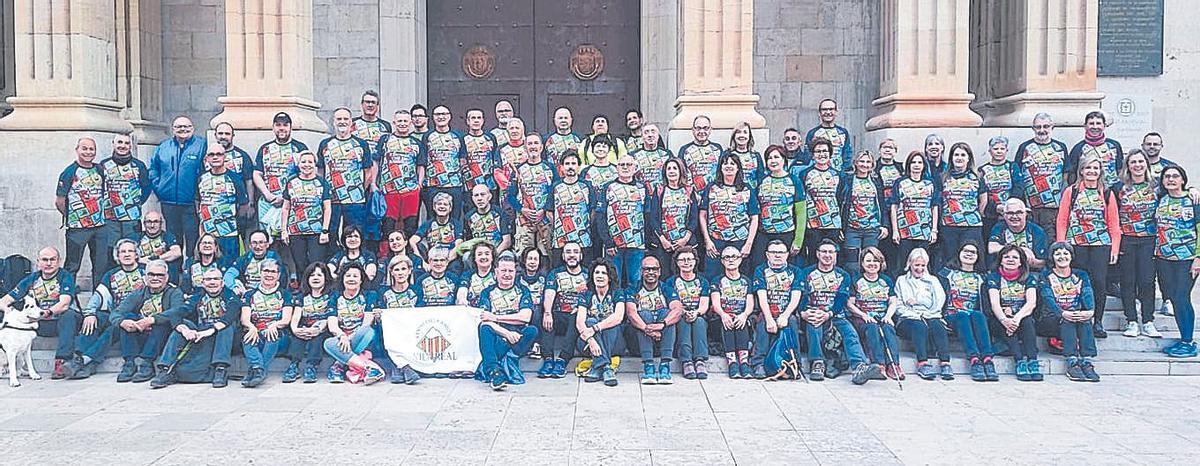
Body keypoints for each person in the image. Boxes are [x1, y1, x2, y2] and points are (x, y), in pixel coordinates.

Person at [1056, 154, 1120, 338]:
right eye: (1088, 168)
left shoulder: (1107, 193)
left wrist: (1114, 248)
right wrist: (1062, 243)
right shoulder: (1072, 191)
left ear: (1100, 171)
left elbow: (1114, 223)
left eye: (1095, 168)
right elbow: (1062, 219)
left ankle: (1097, 321)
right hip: (1076, 244)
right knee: (1077, 283)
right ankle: (1077, 319)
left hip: (1100, 245)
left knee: (1099, 283)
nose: (1091, 171)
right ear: (1081, 171)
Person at [797, 240, 879, 384]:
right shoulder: (806, 272)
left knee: (850, 332)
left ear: (835, 255)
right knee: (813, 324)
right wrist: (803, 312)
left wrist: (829, 314)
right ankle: (817, 362)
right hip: (812, 313)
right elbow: (801, 296)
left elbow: (841, 299)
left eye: (831, 252)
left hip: (835, 315)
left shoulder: (843, 275)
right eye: (824, 252)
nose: (827, 255)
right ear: (817, 254)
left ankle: (859, 367)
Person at [67, 239, 146, 379]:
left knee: (115, 326)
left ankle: (87, 361)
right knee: (94, 319)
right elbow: (98, 296)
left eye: (130, 251)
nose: (126, 254)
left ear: (136, 255)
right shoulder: (111, 275)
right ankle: (79, 356)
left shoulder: (146, 272)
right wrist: (90, 313)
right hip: (113, 314)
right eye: (123, 251)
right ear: (117, 255)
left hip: (136, 317)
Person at [149, 268, 238, 389]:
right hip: (201, 334)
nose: (212, 282)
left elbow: (230, 316)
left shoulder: (230, 295)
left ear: (222, 282)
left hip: (223, 338)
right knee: (184, 323)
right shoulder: (198, 296)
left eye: (216, 279)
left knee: (226, 326)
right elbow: (177, 313)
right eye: (208, 279)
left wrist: (209, 331)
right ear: (203, 283)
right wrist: (184, 329)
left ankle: (220, 369)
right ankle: (165, 369)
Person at [0, 247, 80, 379]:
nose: (48, 263)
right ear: (38, 262)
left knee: (69, 315)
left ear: (59, 261)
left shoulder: (65, 276)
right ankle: (9, 361)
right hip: (36, 323)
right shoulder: (31, 278)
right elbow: (4, 301)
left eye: (52, 260)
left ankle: (61, 361)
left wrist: (47, 312)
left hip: (59, 321)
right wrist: (9, 310)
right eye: (45, 260)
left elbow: (64, 303)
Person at [1113, 150, 1162, 338]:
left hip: (1149, 239)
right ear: (1128, 165)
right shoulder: (1119, 187)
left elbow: (1178, 189)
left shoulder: (1157, 185)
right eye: (1133, 162)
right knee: (1127, 281)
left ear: (1146, 164)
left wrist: (1192, 190)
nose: (1137, 165)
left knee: (1147, 281)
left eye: (1141, 161)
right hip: (1127, 239)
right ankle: (1131, 320)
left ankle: (1148, 320)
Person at [110, 260, 182, 383]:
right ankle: (129, 363)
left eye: (160, 275)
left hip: (162, 338)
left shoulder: (174, 292)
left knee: (162, 323)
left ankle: (147, 365)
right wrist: (123, 322)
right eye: (151, 274)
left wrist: (152, 320)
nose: (155, 278)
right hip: (142, 334)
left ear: (167, 277)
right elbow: (116, 313)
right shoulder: (139, 293)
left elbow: (177, 312)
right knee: (127, 317)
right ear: (145, 277)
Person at [476, 253, 539, 391]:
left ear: (515, 272)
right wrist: (506, 333)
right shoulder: (487, 292)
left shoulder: (522, 290)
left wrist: (497, 318)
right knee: (484, 329)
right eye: (503, 271)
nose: (507, 274)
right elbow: (485, 320)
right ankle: (495, 372)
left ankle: (495, 365)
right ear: (496, 272)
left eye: (510, 271)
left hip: (517, 336)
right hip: (498, 336)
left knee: (532, 330)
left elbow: (525, 317)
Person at [1155, 166, 1200, 358]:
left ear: (1183, 179)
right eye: (1167, 177)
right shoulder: (1161, 199)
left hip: (1187, 258)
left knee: (1182, 297)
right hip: (1164, 257)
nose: (1171, 179)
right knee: (1172, 297)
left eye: (1175, 176)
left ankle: (1188, 341)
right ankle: (1183, 338)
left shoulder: (1193, 200)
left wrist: (1198, 257)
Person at [938, 241, 997, 382]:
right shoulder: (946, 274)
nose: (969, 254)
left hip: (973, 317)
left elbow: (986, 303)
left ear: (978, 256)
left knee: (978, 315)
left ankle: (988, 360)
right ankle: (974, 360)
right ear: (959, 253)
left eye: (973, 252)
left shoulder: (982, 277)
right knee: (963, 316)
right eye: (966, 251)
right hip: (952, 316)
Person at [1041, 242, 1100, 382]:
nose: (1062, 256)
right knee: (1069, 318)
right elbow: (1047, 296)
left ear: (1071, 256)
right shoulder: (1046, 275)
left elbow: (1087, 292)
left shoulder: (1080, 274)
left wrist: (1090, 310)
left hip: (1074, 314)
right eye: (1058, 254)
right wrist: (1061, 312)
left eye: (1066, 253)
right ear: (1052, 257)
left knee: (1083, 318)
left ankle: (1087, 360)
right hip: (1051, 317)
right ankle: (1072, 361)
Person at [890, 247, 952, 381]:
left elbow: (939, 302)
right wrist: (916, 315)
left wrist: (924, 308)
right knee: (919, 326)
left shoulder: (933, 280)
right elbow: (899, 305)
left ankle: (945, 363)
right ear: (910, 264)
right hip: (908, 317)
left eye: (923, 265)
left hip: (931, 315)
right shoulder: (901, 280)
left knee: (937, 325)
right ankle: (922, 363)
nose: (919, 268)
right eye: (916, 265)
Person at [56, 137, 111, 286]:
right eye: (84, 148)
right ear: (77, 150)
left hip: (99, 227)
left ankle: (99, 301)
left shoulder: (100, 169)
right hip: (77, 229)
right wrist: (72, 217)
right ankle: (68, 298)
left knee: (100, 266)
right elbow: (60, 201)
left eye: (91, 149)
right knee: (72, 266)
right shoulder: (69, 172)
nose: (88, 152)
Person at [150, 116, 206, 256]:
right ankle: (175, 273)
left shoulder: (202, 145)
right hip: (168, 202)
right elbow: (153, 169)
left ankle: (190, 269)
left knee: (192, 238)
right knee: (174, 240)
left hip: (191, 202)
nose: (183, 129)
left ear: (193, 128)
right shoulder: (163, 147)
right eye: (179, 127)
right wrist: (159, 188)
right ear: (173, 129)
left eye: (186, 126)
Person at [987, 244, 1043, 381]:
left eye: (1014, 257)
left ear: (1021, 261)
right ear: (1000, 260)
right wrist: (1005, 320)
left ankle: (1032, 360)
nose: (1010, 259)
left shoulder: (1028, 278)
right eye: (1006, 257)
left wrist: (1016, 319)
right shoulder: (994, 277)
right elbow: (994, 303)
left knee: (1027, 320)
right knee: (1007, 325)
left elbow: (1031, 303)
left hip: (1020, 317)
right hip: (999, 318)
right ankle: (1019, 361)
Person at [846, 247, 903, 380]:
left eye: (876, 261)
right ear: (862, 263)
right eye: (868, 261)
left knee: (888, 328)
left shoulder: (886, 280)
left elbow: (893, 302)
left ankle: (894, 364)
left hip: (882, 315)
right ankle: (879, 364)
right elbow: (850, 304)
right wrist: (862, 315)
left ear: (881, 263)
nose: (872, 264)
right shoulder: (856, 280)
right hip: (862, 317)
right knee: (872, 328)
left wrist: (888, 316)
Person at [323, 264, 385, 384]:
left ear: (361, 280)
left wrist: (350, 337)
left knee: (367, 331)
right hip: (341, 338)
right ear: (342, 278)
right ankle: (369, 369)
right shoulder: (335, 296)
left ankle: (339, 364)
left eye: (355, 276)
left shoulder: (370, 295)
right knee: (328, 343)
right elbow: (332, 323)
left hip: (363, 337)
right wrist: (342, 336)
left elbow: (367, 322)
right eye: (348, 276)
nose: (351, 279)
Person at [318, 107, 375, 236]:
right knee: (331, 235)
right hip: (332, 200)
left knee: (355, 234)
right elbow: (321, 171)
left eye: (345, 119)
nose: (342, 122)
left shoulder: (361, 144)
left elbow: (368, 172)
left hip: (355, 201)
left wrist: (359, 189)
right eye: (339, 119)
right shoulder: (325, 144)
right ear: (333, 122)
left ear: (351, 122)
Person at [750, 240, 803, 379]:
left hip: (787, 312)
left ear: (787, 254)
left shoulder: (795, 271)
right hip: (767, 310)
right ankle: (758, 363)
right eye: (773, 252)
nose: (777, 256)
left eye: (781, 252)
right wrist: (769, 319)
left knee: (792, 321)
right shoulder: (760, 270)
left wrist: (784, 316)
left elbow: (796, 296)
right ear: (767, 254)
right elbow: (761, 296)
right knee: (762, 322)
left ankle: (795, 363)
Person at [1013, 113, 1069, 242]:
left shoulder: (1060, 147)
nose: (1042, 130)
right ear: (1033, 128)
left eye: (1046, 126)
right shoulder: (1024, 147)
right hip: (1030, 206)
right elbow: (1017, 175)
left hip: (1053, 207)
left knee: (1050, 240)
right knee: (1031, 240)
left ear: (1052, 127)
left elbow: (1066, 175)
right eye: (1038, 127)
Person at [700, 153, 759, 275]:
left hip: (740, 242)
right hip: (716, 242)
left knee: (740, 279)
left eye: (733, 163)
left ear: (738, 168)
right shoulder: (711, 188)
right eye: (725, 163)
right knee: (713, 278)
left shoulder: (746, 189)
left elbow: (754, 217)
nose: (728, 166)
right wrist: (707, 241)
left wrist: (748, 244)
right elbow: (702, 215)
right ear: (720, 167)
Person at [253, 112, 309, 240]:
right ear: (273, 127)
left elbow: (306, 173)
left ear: (290, 127)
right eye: (278, 125)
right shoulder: (265, 148)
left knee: (290, 238)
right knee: (266, 239)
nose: (281, 128)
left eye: (285, 125)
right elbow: (257, 173)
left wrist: (285, 199)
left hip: (292, 202)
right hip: (267, 202)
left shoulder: (299, 148)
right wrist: (267, 194)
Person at [239, 259, 292, 388]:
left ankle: (256, 370)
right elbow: (244, 318)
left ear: (278, 275)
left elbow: (286, 319)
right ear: (260, 273)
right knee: (247, 337)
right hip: (257, 333)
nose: (269, 274)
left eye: (273, 271)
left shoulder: (285, 294)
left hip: (279, 337)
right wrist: (251, 327)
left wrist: (274, 325)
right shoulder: (250, 294)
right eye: (266, 271)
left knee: (272, 334)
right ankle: (258, 369)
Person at [626, 255, 679, 385]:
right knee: (644, 314)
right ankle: (648, 366)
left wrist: (661, 325)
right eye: (647, 269)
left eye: (654, 269)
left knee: (667, 314)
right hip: (639, 342)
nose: (650, 272)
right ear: (641, 271)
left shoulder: (666, 288)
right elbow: (631, 313)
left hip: (662, 338)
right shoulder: (632, 289)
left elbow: (678, 310)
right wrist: (647, 329)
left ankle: (665, 365)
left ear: (659, 271)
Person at [598, 154, 649, 287]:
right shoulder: (607, 187)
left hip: (637, 245)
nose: (625, 167)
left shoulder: (642, 188)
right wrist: (608, 242)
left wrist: (647, 242)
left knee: (635, 281)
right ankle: (617, 306)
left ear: (635, 168)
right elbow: (600, 216)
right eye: (622, 165)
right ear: (617, 168)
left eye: (629, 165)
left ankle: (633, 306)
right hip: (613, 246)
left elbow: (648, 216)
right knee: (614, 281)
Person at [539, 242, 589, 378]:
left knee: (576, 315)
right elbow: (549, 293)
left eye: (575, 252)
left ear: (581, 255)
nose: (571, 255)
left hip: (579, 321)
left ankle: (562, 360)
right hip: (560, 315)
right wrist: (547, 313)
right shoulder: (555, 273)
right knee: (547, 315)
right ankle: (548, 360)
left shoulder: (588, 274)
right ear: (563, 255)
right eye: (568, 252)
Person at [281, 150, 333, 274]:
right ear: (298, 164)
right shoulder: (291, 182)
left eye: (310, 162)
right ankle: (302, 291)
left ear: (315, 164)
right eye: (303, 162)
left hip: (316, 231)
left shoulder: (322, 182)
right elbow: (286, 208)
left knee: (316, 264)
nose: (306, 165)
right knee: (300, 264)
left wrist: (325, 230)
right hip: (295, 231)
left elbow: (327, 208)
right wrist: (284, 230)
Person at [576, 260, 626, 387]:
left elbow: (618, 317)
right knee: (589, 320)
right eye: (596, 272)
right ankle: (606, 368)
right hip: (588, 344)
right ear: (592, 276)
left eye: (604, 273)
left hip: (614, 342)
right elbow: (579, 323)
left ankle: (597, 366)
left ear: (609, 277)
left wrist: (595, 328)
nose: (599, 276)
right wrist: (591, 340)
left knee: (609, 322)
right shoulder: (586, 295)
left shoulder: (617, 293)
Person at [755, 145, 806, 267]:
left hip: (787, 233)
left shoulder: (794, 181)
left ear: (783, 160)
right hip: (764, 234)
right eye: (769, 158)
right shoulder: (762, 181)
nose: (773, 161)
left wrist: (798, 240)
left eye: (776, 157)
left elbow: (801, 213)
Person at [375, 109, 425, 236]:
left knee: (410, 225)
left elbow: (421, 165)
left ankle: (408, 252)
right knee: (388, 225)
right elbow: (376, 161)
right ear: (394, 122)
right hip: (388, 190)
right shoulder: (385, 140)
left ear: (411, 123)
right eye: (400, 121)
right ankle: (387, 253)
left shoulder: (416, 143)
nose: (402, 123)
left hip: (410, 191)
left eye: (405, 121)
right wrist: (374, 184)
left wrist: (419, 185)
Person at [890, 151, 940, 275]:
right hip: (904, 232)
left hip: (924, 231)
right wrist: (895, 230)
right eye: (913, 162)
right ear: (908, 165)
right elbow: (894, 207)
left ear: (924, 165)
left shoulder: (930, 183)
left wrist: (934, 230)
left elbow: (934, 207)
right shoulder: (900, 183)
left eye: (920, 162)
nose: (916, 165)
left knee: (923, 264)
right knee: (903, 265)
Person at [939, 142, 989, 266]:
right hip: (949, 226)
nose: (959, 158)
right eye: (956, 155)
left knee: (971, 258)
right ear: (951, 158)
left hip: (971, 226)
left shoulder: (977, 177)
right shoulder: (943, 177)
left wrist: (977, 214)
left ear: (968, 158)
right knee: (950, 259)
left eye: (963, 155)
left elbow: (983, 199)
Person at [376, 255, 423, 384]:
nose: (400, 273)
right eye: (396, 270)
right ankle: (403, 367)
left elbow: (421, 312)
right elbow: (381, 317)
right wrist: (379, 314)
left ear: (409, 271)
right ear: (391, 272)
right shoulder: (383, 292)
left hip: (412, 330)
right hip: (391, 334)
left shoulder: (417, 290)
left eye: (403, 269)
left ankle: (399, 367)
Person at [285, 263, 335, 383]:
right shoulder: (301, 297)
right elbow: (296, 316)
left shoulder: (331, 296)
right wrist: (295, 329)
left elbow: (331, 317)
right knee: (298, 335)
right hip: (305, 328)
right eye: (312, 275)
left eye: (319, 275)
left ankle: (311, 366)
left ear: (325, 278)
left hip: (323, 329)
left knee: (317, 337)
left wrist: (317, 329)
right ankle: (294, 365)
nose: (315, 278)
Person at [508, 133, 557, 254]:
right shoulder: (518, 170)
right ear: (525, 147)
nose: (533, 146)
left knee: (546, 255)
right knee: (524, 255)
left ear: (541, 147)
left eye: (536, 143)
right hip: (524, 221)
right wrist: (522, 209)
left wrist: (545, 210)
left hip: (544, 220)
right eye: (529, 143)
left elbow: (556, 193)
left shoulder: (550, 168)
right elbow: (510, 196)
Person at [196, 144, 248, 257]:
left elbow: (244, 205)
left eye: (219, 154)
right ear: (206, 158)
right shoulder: (201, 178)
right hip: (208, 234)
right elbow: (198, 202)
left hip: (229, 233)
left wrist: (234, 222)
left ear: (225, 157)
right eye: (212, 155)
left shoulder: (235, 178)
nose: (215, 157)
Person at [711, 246, 755, 378]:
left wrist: (744, 315)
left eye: (734, 257)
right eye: (727, 257)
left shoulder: (746, 281)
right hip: (722, 316)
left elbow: (750, 303)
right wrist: (724, 315)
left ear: (740, 259)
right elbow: (715, 303)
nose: (731, 260)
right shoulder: (717, 281)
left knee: (741, 321)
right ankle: (732, 362)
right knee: (728, 322)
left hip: (741, 316)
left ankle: (744, 362)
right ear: (722, 261)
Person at [650, 158, 699, 276]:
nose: (672, 171)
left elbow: (694, 217)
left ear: (681, 171)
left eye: (675, 168)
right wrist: (663, 240)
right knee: (665, 275)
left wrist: (685, 239)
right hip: (664, 244)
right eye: (669, 169)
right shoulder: (659, 190)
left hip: (684, 243)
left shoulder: (689, 190)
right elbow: (653, 218)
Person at [838, 150, 886, 272]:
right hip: (852, 228)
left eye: (868, 162)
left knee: (870, 261)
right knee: (852, 263)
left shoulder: (876, 181)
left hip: (872, 228)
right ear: (856, 163)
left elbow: (882, 204)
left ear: (872, 164)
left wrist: (885, 225)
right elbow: (839, 203)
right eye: (861, 161)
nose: (864, 164)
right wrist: (840, 226)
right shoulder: (847, 180)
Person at [547, 151, 597, 267]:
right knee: (558, 272)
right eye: (567, 163)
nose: (570, 166)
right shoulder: (556, 186)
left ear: (578, 166)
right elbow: (549, 211)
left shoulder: (586, 186)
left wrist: (585, 225)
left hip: (583, 239)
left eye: (573, 163)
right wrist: (558, 227)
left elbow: (593, 210)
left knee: (584, 273)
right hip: (560, 240)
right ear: (562, 167)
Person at [99, 132, 152, 241]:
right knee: (110, 251)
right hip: (110, 219)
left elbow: (146, 188)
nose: (123, 146)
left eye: (126, 143)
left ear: (131, 146)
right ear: (113, 144)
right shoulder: (103, 165)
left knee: (132, 247)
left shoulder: (139, 165)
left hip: (132, 218)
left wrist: (135, 202)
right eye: (119, 142)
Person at [670, 249, 714, 379]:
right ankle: (686, 360)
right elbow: (671, 304)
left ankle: (700, 360)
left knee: (699, 321)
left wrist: (696, 312)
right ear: (677, 263)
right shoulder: (671, 282)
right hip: (678, 314)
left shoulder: (703, 282)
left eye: (689, 259)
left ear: (695, 262)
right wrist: (683, 312)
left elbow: (704, 305)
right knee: (683, 321)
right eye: (682, 260)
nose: (686, 262)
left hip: (698, 313)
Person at [797, 138, 843, 261]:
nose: (821, 154)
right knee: (813, 257)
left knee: (832, 258)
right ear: (812, 154)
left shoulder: (838, 175)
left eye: (824, 151)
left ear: (830, 153)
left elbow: (842, 200)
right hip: (813, 224)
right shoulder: (805, 174)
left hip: (833, 224)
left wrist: (842, 226)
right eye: (818, 151)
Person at [212, 122, 257, 246]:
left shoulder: (242, 156)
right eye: (220, 133)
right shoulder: (209, 157)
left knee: (238, 243)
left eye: (227, 133)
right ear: (215, 135)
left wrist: (250, 204)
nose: (223, 136)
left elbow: (249, 182)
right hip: (214, 210)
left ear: (233, 136)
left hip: (237, 210)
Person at [419, 105, 466, 218]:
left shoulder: (458, 136)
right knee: (432, 218)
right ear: (433, 117)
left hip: (454, 185)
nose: (441, 117)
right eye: (437, 114)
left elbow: (463, 160)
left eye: (444, 114)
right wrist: (420, 183)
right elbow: (423, 162)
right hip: (433, 185)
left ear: (449, 117)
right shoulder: (427, 136)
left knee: (455, 218)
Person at [987, 198, 1049, 270]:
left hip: (1030, 271)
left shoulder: (1037, 231)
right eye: (1010, 213)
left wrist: (1024, 260)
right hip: (1005, 271)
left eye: (1019, 212)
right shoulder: (999, 227)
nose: (1014, 216)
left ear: (1026, 214)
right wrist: (1021, 250)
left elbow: (1042, 262)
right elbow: (991, 248)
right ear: (1004, 215)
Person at [1068, 111, 1124, 188]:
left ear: (1104, 126)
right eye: (1091, 123)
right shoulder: (1078, 148)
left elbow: (1120, 170)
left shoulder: (1114, 145)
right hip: (1087, 192)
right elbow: (1072, 174)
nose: (1095, 127)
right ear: (1085, 126)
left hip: (1112, 190)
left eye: (1098, 123)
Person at [410, 192, 465, 270]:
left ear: (450, 208)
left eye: (445, 204)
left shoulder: (456, 224)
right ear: (434, 207)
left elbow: (458, 244)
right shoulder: (428, 224)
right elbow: (412, 241)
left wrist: (444, 263)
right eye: (439, 204)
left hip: (450, 258)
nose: (442, 206)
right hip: (432, 257)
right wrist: (422, 262)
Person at [228, 230, 287, 298]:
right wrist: (234, 287)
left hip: (268, 292)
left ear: (267, 244)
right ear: (250, 245)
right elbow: (229, 275)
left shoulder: (274, 258)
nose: (258, 246)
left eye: (261, 242)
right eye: (254, 243)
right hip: (246, 292)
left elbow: (281, 280)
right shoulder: (245, 259)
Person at [978, 136, 1014, 245]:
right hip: (990, 214)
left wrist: (1009, 207)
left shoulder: (1012, 167)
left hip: (1010, 214)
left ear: (1007, 151)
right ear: (989, 151)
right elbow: (981, 195)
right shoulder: (982, 170)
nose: (999, 151)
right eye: (996, 149)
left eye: (1002, 149)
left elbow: (1019, 187)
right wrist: (995, 208)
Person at [804, 99, 854, 172]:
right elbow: (808, 156)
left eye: (831, 109)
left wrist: (844, 172)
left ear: (836, 112)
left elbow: (847, 154)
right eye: (824, 109)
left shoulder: (843, 132)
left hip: (839, 174)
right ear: (820, 113)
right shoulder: (813, 133)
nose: (828, 112)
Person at [131, 211, 183, 279]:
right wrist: (138, 259)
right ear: (144, 223)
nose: (152, 225)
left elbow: (177, 252)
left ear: (161, 223)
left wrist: (156, 259)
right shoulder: (136, 237)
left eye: (156, 222)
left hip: (163, 274)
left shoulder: (167, 236)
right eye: (149, 222)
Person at [679, 115, 724, 192]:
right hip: (693, 195)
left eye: (705, 128)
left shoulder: (718, 149)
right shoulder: (684, 150)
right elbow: (681, 174)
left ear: (710, 130)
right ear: (693, 130)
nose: (702, 131)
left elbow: (722, 172)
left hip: (714, 194)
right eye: (698, 128)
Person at [465, 184, 513, 253]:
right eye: (476, 195)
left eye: (482, 194)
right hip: (478, 253)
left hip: (498, 250)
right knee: (466, 256)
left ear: (489, 196)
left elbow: (507, 241)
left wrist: (493, 255)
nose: (479, 198)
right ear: (473, 199)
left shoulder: (499, 213)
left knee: (507, 255)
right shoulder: (469, 217)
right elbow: (469, 242)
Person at [518, 247, 548, 359]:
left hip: (539, 310)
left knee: (536, 310)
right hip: (521, 309)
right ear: (524, 261)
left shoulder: (544, 277)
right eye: (530, 258)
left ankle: (536, 345)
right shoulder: (518, 277)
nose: (532, 262)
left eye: (535, 259)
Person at [461, 108, 500, 194]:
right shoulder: (463, 139)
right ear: (468, 121)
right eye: (473, 118)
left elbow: (496, 159)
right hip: (470, 184)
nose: (476, 121)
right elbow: (462, 160)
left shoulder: (491, 137)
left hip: (490, 184)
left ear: (483, 120)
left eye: (479, 118)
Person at [630, 123, 670, 194]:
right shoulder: (633, 156)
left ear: (658, 136)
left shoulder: (667, 154)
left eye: (653, 132)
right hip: (640, 195)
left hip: (662, 195)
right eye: (646, 132)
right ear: (642, 137)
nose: (650, 135)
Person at [494, 118, 531, 193]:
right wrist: (509, 187)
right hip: (507, 192)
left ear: (522, 130)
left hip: (528, 190)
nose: (514, 131)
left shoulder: (530, 146)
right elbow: (497, 171)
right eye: (511, 128)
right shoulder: (501, 149)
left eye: (517, 128)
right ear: (507, 131)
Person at [456, 241, 497, 308]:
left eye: (487, 254)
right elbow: (462, 291)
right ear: (474, 258)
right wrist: (462, 299)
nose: (483, 257)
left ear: (492, 257)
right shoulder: (468, 274)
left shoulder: (497, 273)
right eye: (479, 254)